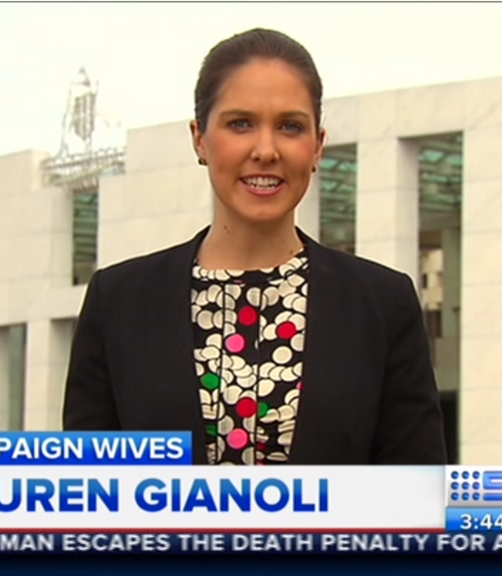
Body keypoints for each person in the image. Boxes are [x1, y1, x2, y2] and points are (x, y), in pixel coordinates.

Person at [63, 28, 446, 465]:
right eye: (240, 124)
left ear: (318, 146)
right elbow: (88, 490)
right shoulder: (118, 304)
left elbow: (416, 493)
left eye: (290, 126)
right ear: (199, 138)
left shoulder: (382, 305)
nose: (266, 150)